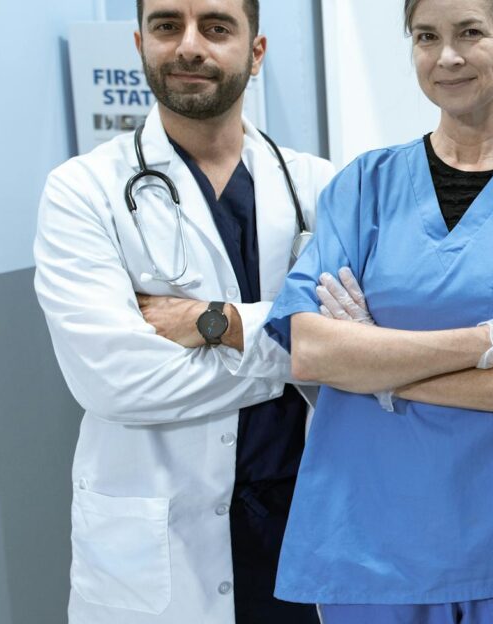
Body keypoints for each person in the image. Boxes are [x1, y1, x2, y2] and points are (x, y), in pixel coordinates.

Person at [261, 0, 493, 621]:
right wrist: (488, 341)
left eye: (469, 33)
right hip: (373, 538)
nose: (446, 55)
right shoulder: (364, 184)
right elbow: (313, 350)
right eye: (426, 36)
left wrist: (377, 363)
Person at [33, 0, 335, 622]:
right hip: (157, 541)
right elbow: (115, 379)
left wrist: (217, 324)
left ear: (256, 52)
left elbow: (362, 347)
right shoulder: (83, 192)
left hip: (299, 522)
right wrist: (302, 346)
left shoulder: (321, 187)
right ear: (140, 42)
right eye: (168, 26)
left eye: (217, 27)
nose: (189, 46)